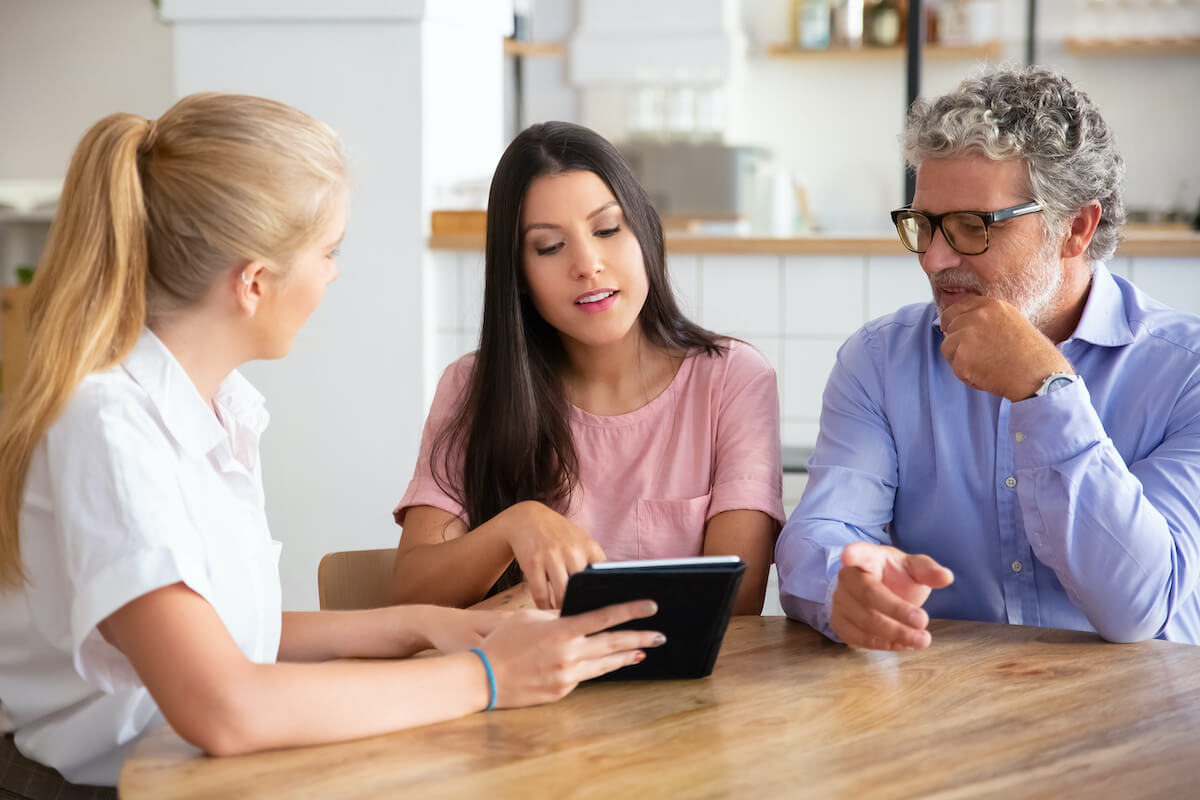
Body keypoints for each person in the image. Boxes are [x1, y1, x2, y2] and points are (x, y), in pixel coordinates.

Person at [0, 94, 665, 792]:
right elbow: (225, 707)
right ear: (254, 284)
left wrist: (422, 626)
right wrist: (490, 677)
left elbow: (224, 633)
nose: (335, 273)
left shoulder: (215, 407)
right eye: (329, 251)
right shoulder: (107, 428)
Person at [776, 64, 1200, 650]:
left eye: (971, 227)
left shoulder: (1187, 374)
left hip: (1133, 725)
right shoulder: (879, 359)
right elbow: (820, 533)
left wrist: (1047, 389)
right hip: (942, 711)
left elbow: (1139, 608)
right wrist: (843, 588)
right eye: (923, 225)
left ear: (1075, 227)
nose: (933, 260)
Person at [391, 121, 784, 615]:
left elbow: (736, 604)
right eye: (550, 247)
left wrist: (544, 606)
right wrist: (516, 525)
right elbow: (410, 592)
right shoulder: (472, 387)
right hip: (520, 687)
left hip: (680, 691)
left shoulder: (733, 379)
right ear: (519, 276)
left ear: (644, 232)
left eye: (606, 229)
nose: (587, 263)